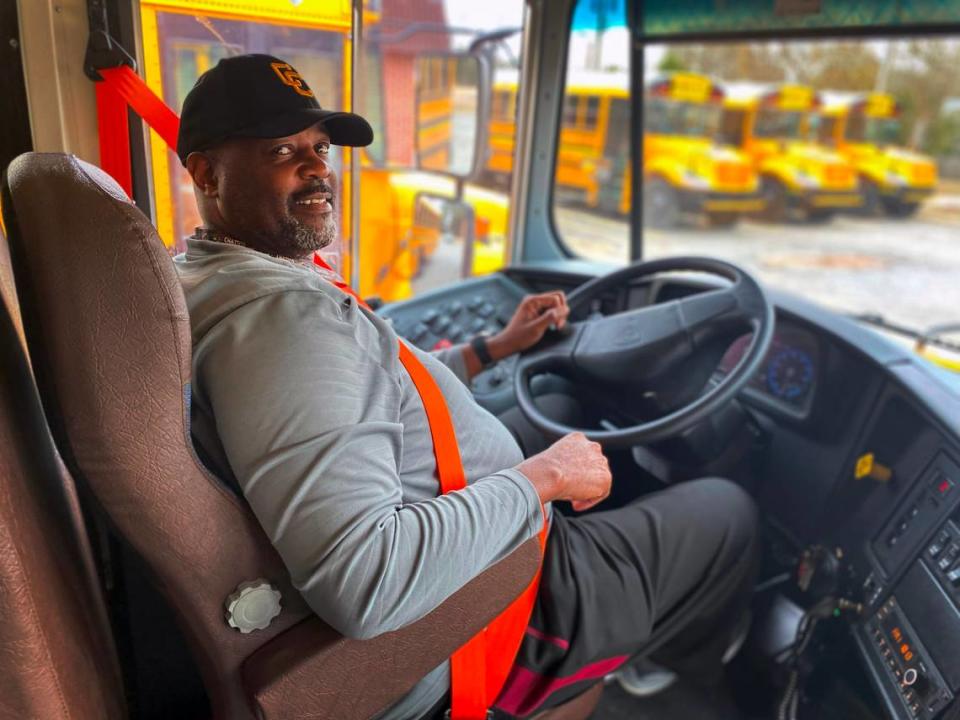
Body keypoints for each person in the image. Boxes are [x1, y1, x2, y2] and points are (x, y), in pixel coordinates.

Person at [173, 54, 759, 720]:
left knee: (561, 402)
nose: (317, 169)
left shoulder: (210, 274)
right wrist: (544, 479)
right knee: (726, 510)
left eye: (320, 147)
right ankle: (667, 672)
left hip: (460, 525)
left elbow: (375, 387)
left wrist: (493, 350)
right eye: (283, 150)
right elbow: (367, 581)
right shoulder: (286, 324)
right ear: (205, 172)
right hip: (500, 607)